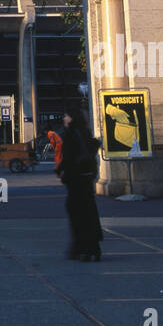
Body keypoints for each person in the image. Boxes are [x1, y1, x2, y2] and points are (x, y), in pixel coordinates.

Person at [57, 110, 103, 262]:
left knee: (77, 212)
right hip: (87, 177)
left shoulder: (71, 134)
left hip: (75, 178)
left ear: (73, 118)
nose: (65, 117)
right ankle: (94, 248)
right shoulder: (85, 132)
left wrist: (60, 170)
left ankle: (81, 247)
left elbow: (68, 157)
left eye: (67, 114)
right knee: (89, 211)